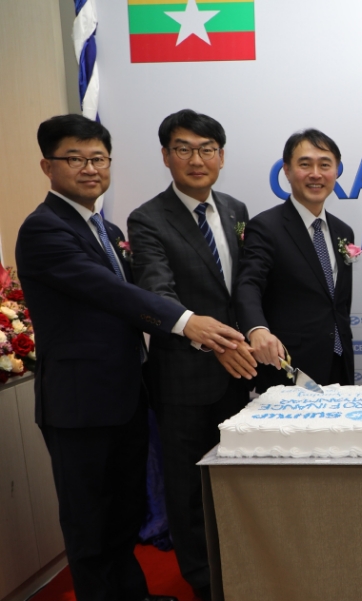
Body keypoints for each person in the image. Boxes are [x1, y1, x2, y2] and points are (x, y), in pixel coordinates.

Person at [16, 114, 244, 601]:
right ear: (47, 166)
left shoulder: (105, 227)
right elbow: (113, 293)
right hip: (80, 404)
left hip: (125, 396)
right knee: (89, 523)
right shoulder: (44, 229)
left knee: (122, 514)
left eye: (98, 158)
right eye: (74, 159)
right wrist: (186, 321)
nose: (89, 169)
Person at [128, 109, 255, 601]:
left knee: (238, 482)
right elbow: (158, 296)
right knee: (188, 490)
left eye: (206, 149)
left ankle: (243, 567)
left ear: (221, 156)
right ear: (166, 156)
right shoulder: (148, 219)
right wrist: (215, 342)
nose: (196, 159)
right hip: (184, 380)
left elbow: (242, 289)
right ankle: (203, 581)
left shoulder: (236, 209)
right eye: (183, 149)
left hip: (239, 377)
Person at [234, 129, 355, 389]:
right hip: (288, 367)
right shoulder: (266, 227)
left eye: (325, 165)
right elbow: (248, 284)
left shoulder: (343, 231)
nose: (316, 174)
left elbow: (338, 305)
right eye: (305, 164)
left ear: (336, 171)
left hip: (339, 364)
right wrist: (257, 329)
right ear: (287, 171)